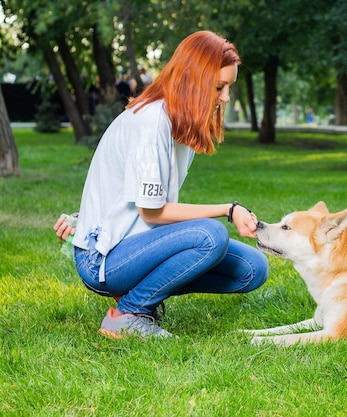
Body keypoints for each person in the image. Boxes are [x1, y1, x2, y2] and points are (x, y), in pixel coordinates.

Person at [54, 31, 268, 339]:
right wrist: (228, 209)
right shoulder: (152, 122)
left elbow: (126, 188)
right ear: (193, 80)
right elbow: (152, 212)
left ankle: (137, 295)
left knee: (252, 268)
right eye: (219, 87)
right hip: (101, 258)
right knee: (210, 235)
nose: (225, 97)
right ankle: (130, 313)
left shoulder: (179, 121)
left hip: (134, 244)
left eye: (228, 87)